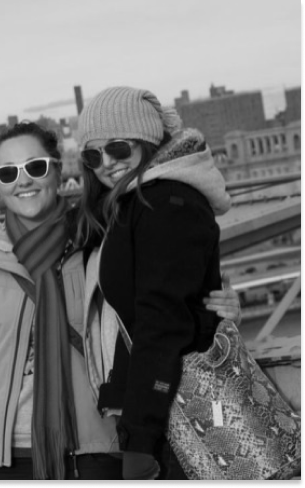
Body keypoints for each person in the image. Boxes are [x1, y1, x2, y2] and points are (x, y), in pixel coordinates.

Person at [0, 121, 240, 481]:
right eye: (8, 173)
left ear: (58, 169)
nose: (23, 181)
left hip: (97, 453)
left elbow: (161, 312)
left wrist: (220, 312)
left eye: (35, 167)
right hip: (3, 458)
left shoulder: (102, 248)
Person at [76, 86, 234, 480]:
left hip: (176, 419)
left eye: (118, 148)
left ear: (148, 141)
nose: (107, 164)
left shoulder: (165, 204)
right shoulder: (132, 204)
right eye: (93, 155)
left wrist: (140, 440)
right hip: (164, 411)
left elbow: (161, 325)